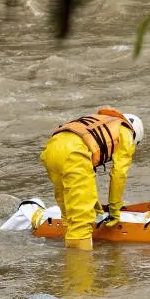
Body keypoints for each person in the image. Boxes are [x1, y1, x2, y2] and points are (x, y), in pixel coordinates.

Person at [40, 107, 144, 251]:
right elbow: (118, 175)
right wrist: (114, 209)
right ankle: (80, 267)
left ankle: (67, 254)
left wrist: (95, 206)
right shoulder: (126, 133)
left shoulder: (104, 122)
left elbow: (86, 176)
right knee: (81, 223)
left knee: (69, 215)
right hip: (75, 153)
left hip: (52, 148)